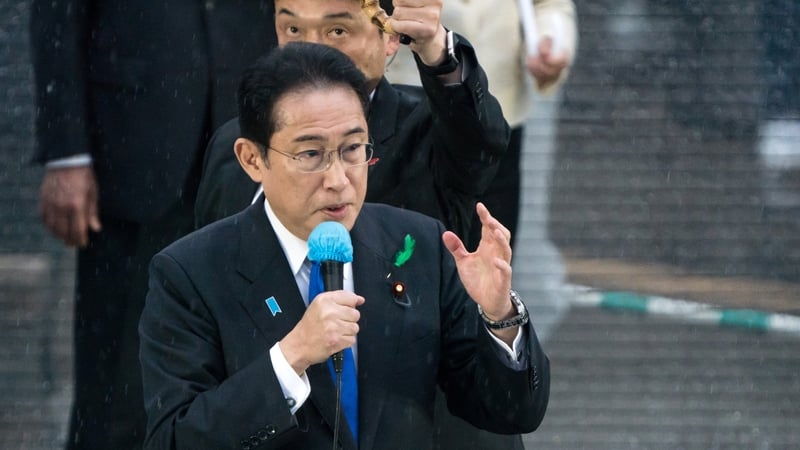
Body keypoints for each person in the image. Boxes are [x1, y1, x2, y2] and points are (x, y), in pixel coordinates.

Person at [139, 41, 549, 450]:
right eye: (312, 154)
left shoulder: (419, 245)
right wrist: (290, 357)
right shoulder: (191, 273)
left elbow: (512, 412)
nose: (338, 179)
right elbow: (174, 440)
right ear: (252, 160)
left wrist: (500, 317)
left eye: (353, 149)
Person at [29, 2, 277, 448]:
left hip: (251, 139)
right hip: (131, 152)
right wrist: (67, 152)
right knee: (117, 384)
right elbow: (57, 16)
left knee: (239, 362)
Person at [194, 0, 510, 244]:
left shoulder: (428, 131)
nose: (311, 49)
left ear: (391, 37)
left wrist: (437, 51)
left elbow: (482, 138)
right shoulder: (234, 141)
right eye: (293, 30)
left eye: (337, 31)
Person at [388, 0, 577, 250]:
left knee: (494, 259)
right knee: (405, 258)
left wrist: (550, 41)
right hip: (408, 121)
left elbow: (550, 5)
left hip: (499, 124)